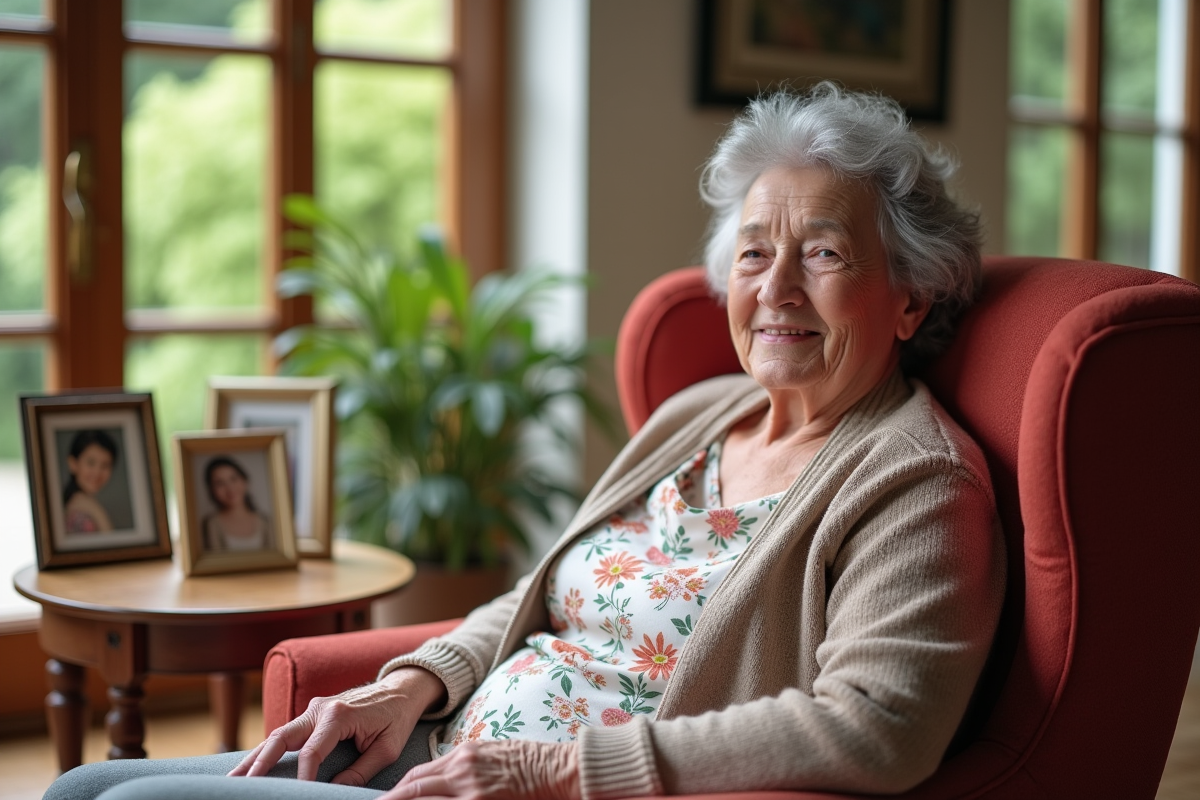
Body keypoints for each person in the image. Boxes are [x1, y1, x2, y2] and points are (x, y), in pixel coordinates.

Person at [45, 83, 1005, 800]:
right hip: (451, 753)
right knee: (79, 790)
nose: (778, 288)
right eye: (755, 252)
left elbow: (878, 728)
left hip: (541, 789)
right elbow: (546, 587)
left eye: (826, 253)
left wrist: (556, 770)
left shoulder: (915, 479)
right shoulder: (702, 414)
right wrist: (415, 684)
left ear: (911, 295)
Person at [201, 456, 272, 552]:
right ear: (211, 490)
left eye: (233, 479)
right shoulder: (211, 524)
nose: (230, 488)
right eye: (220, 483)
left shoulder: (265, 522)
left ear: (245, 481)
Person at [62, 430, 118, 534]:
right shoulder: (80, 511)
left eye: (105, 465)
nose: (97, 473)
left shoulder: (87, 504)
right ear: (73, 463)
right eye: (91, 463)